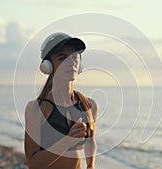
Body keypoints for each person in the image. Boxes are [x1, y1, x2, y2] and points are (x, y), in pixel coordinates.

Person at [24, 32, 98, 169]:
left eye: (75, 57)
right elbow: (33, 164)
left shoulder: (89, 105)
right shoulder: (37, 109)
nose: (71, 63)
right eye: (62, 58)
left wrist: (90, 165)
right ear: (47, 66)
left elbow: (90, 141)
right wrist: (68, 140)